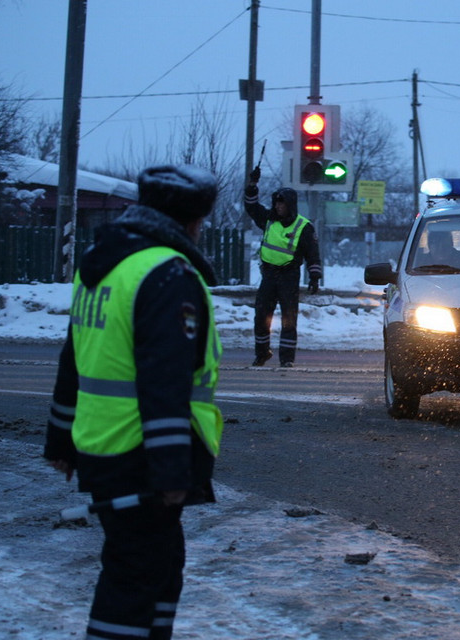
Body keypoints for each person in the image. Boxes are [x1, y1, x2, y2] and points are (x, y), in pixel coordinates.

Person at [44, 164, 224, 640]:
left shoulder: (106, 268)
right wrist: (170, 474)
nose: (201, 231)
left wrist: (61, 441)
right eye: (200, 222)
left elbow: (73, 361)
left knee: (159, 569)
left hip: (102, 446)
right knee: (135, 579)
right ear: (186, 221)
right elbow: (164, 381)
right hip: (140, 457)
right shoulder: (165, 275)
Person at [244, 165, 322, 367]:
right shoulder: (269, 220)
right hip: (269, 275)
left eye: (281, 203)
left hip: (289, 275)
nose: (277, 207)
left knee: (288, 319)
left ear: (290, 205)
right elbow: (251, 206)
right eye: (276, 203)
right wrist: (252, 184)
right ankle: (262, 354)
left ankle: (287, 359)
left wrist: (314, 277)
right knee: (262, 316)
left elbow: (312, 254)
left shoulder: (303, 227)